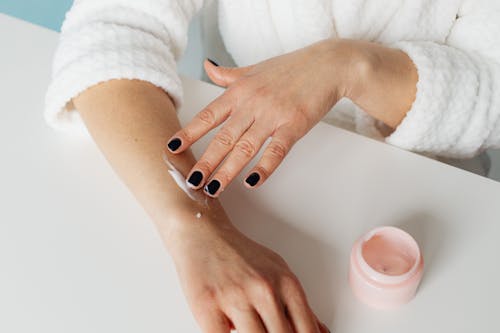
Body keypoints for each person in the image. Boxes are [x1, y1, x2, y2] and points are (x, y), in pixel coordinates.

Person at [45, 1, 500, 332]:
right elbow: (112, 27)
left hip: (441, 197)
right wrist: (193, 226)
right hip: (248, 179)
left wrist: (352, 66)